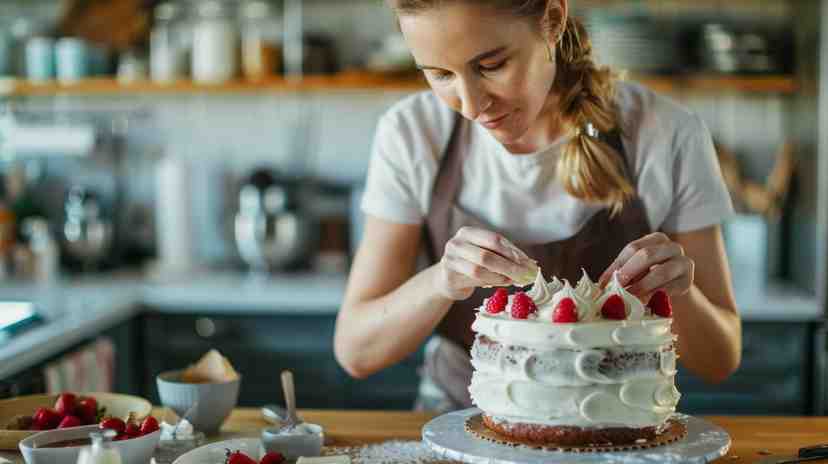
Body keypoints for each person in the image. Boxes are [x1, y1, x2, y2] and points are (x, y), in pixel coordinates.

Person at [334, 0, 741, 412]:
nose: (473, 106)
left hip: (617, 427)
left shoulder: (666, 135)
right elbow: (356, 352)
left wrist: (678, 293)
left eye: (491, 66)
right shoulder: (412, 134)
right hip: (457, 419)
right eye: (440, 74)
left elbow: (720, 361)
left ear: (552, 19)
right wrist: (442, 280)